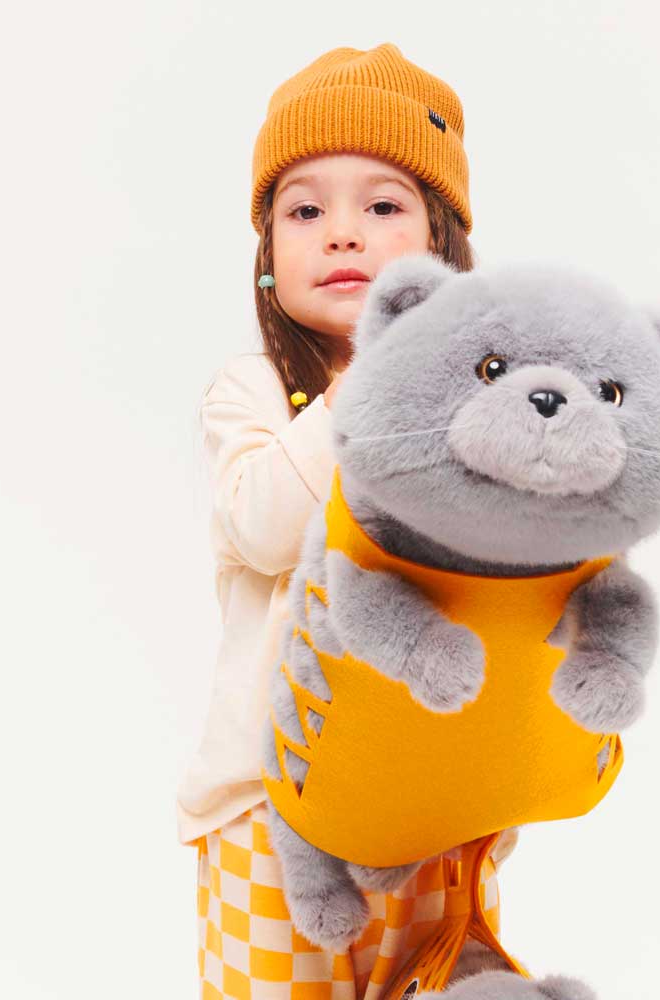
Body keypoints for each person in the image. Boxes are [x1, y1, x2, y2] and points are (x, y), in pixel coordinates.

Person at [176, 42, 518, 999]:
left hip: (434, 808)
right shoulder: (251, 391)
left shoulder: (478, 400)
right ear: (266, 259)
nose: (341, 235)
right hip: (272, 805)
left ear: (443, 247)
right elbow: (263, 526)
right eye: (304, 211)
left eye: (382, 207)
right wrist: (379, 377)